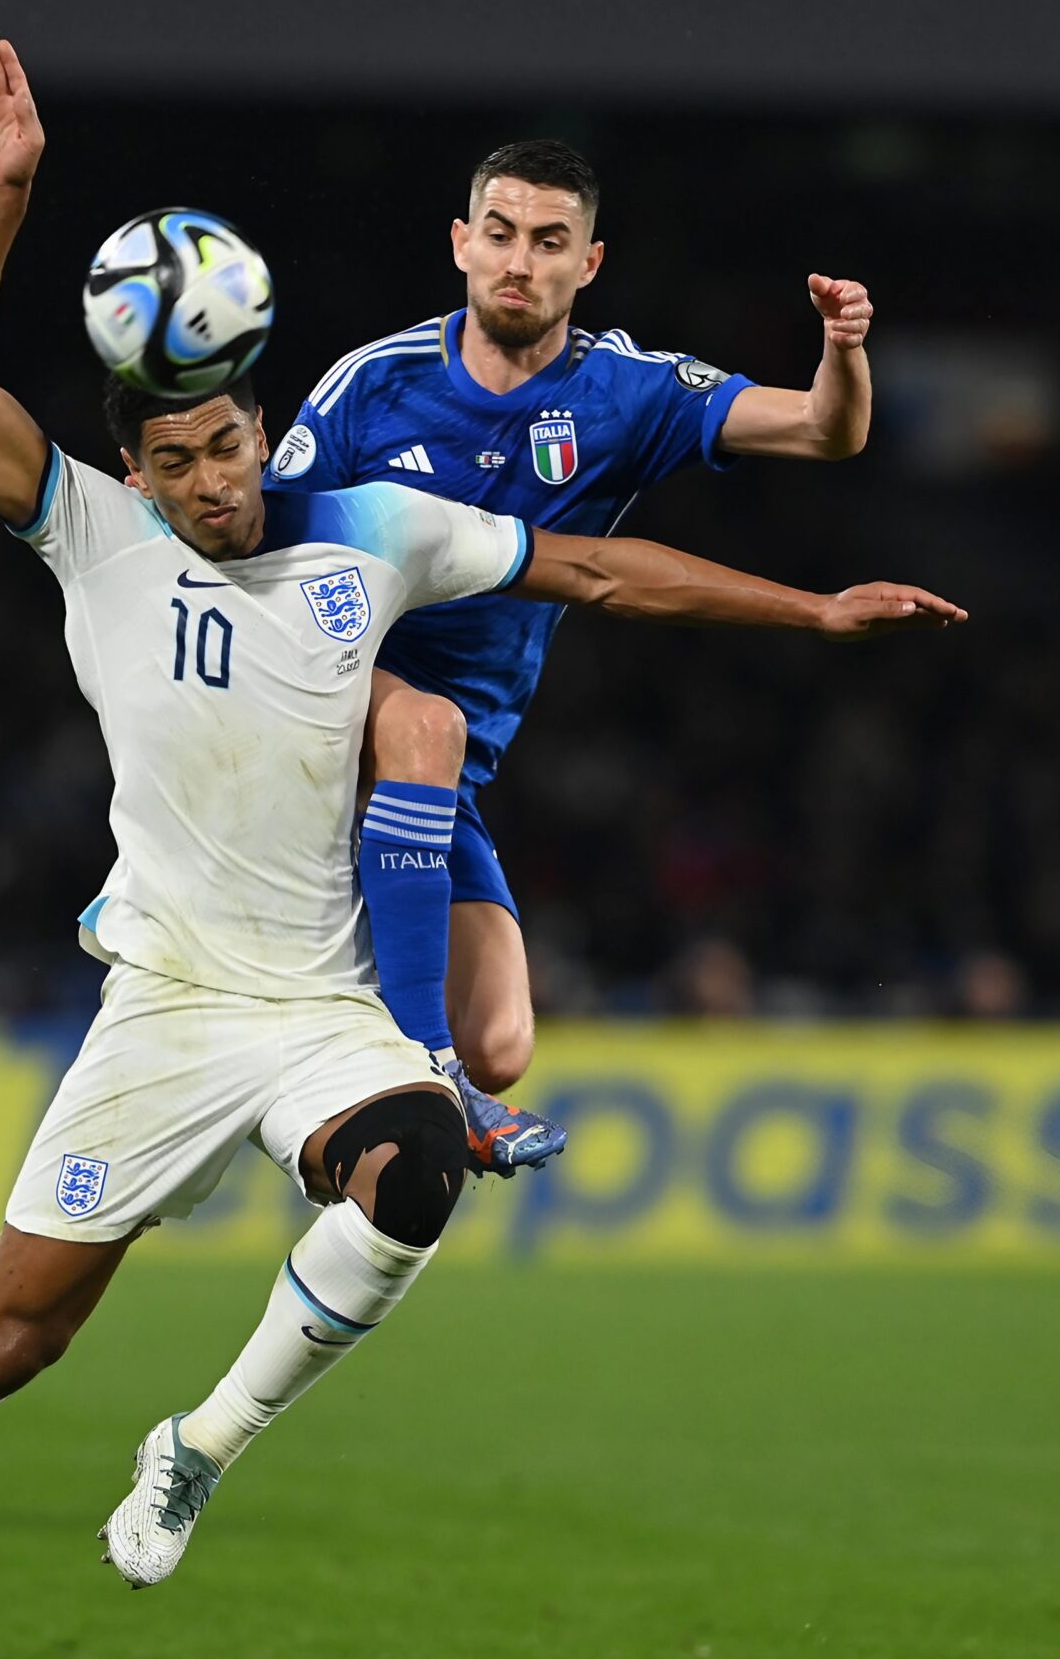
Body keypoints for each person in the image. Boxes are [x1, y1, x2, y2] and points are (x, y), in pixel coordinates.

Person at [0, 29, 961, 1655]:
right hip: (164, 1001)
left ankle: (198, 1445)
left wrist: (811, 610)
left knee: (422, 1160)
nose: (216, 485)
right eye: (181, 462)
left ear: (261, 433)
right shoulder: (90, 535)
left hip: (315, 1006)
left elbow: (594, 575)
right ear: (133, 471)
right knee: (3, 1345)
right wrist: (1, 196)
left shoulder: (368, 535)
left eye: (232, 447)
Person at [267, 137, 882, 1159]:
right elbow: (265, 562)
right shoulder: (369, 386)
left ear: (587, 264)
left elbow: (826, 430)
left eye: (550, 241)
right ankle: (423, 1072)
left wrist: (844, 351)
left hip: (451, 768)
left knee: (504, 1038)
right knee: (426, 720)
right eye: (500, 234)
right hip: (327, 693)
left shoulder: (623, 392)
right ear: (461, 244)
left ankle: (387, 1063)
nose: (520, 260)